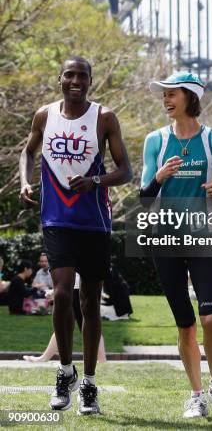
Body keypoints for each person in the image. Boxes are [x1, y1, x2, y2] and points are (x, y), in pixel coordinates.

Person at [19, 56, 132, 415]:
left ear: (90, 81)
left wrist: (95, 180)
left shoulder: (104, 118)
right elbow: (28, 150)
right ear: (60, 79)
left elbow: (126, 170)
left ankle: (89, 383)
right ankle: (65, 370)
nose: (76, 80)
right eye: (70, 74)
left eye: (83, 75)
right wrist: (24, 180)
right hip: (56, 221)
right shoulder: (44, 115)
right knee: (64, 294)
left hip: (95, 223)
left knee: (89, 303)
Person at [140, 71, 212, 419]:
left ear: (190, 97)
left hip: (202, 237)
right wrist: (159, 176)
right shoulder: (156, 140)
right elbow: (143, 197)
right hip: (164, 239)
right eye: (164, 95)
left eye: (172, 94)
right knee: (186, 324)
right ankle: (196, 394)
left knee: (210, 317)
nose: (166, 100)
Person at [24, 273, 106, 363]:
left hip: (77, 289)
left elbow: (71, 271)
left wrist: (56, 289)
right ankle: (102, 360)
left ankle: (44, 358)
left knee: (78, 327)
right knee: (72, 326)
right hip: (79, 288)